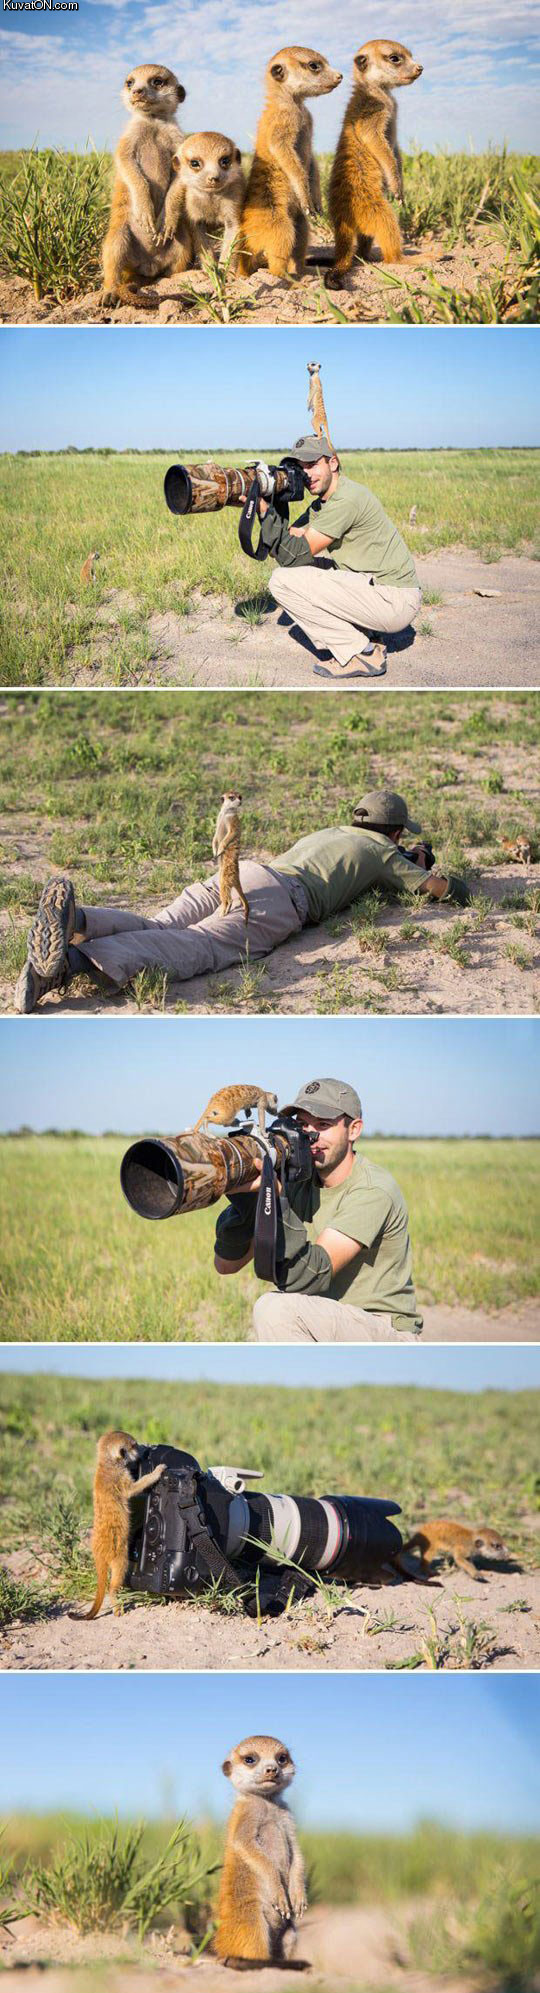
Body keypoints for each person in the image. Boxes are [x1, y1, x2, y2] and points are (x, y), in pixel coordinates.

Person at [14, 789, 469, 1011]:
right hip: (280, 901)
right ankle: (71, 964)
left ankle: (77, 919)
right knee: (198, 945)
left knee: (160, 924)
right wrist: (422, 864)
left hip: (247, 871)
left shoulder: (334, 831)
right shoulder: (384, 851)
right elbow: (443, 891)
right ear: (395, 832)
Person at [214, 1076, 422, 1343]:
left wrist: (276, 1200)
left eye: (323, 1124)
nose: (310, 1135)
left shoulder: (372, 1189)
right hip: (326, 1319)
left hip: (382, 1327)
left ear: (354, 1130)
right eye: (302, 1124)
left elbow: (312, 1275)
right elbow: (226, 1265)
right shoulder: (299, 1180)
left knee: (274, 1309)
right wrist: (249, 1200)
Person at [257, 434, 422, 681]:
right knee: (299, 569)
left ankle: (360, 654)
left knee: (281, 581)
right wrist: (273, 500)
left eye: (312, 465)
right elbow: (286, 545)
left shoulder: (346, 499)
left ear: (333, 463)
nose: (306, 474)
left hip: (394, 600)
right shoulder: (324, 503)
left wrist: (264, 511)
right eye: (300, 468)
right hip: (379, 589)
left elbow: (292, 556)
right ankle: (367, 635)